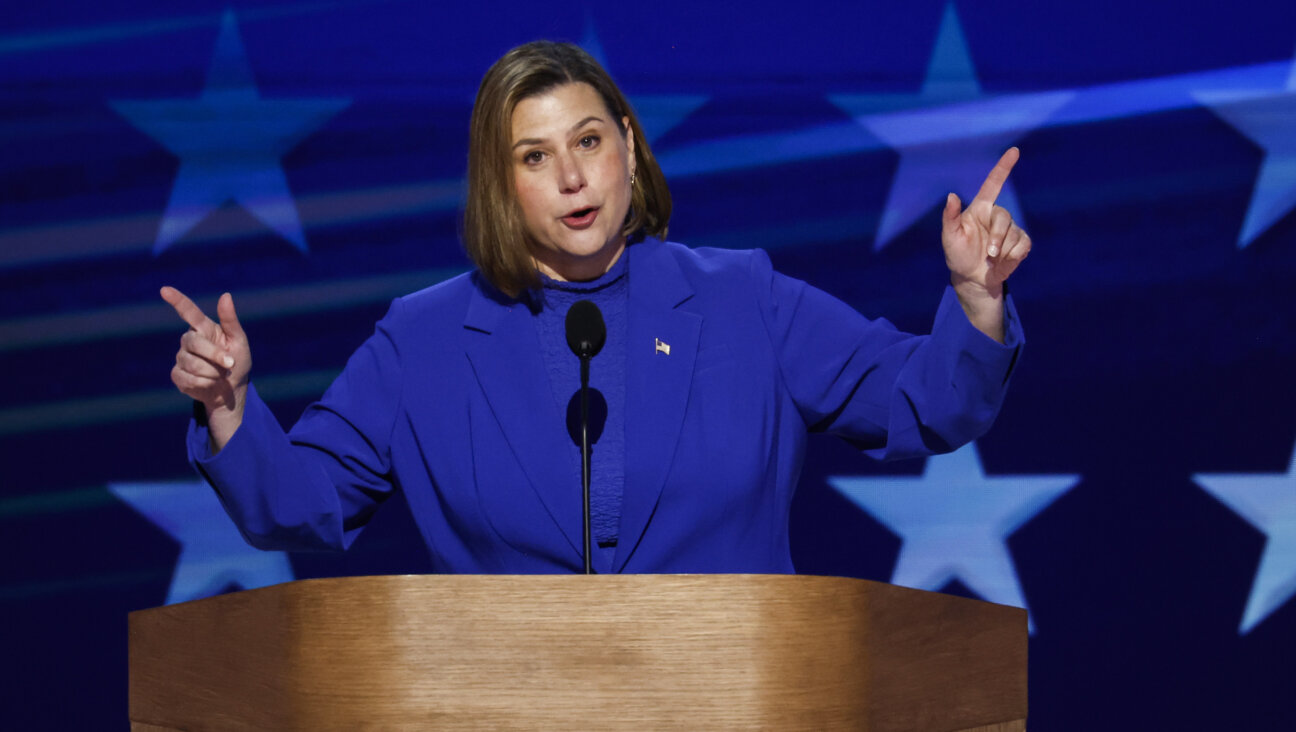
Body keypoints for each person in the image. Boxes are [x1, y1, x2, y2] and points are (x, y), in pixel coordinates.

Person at [161, 41, 1029, 575]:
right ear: (500, 185)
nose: (573, 178)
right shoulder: (421, 342)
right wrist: (230, 407)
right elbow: (298, 501)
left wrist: (973, 297)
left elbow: (929, 401)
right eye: (533, 157)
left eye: (587, 141)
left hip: (737, 701)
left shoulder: (743, 300)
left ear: (627, 142)